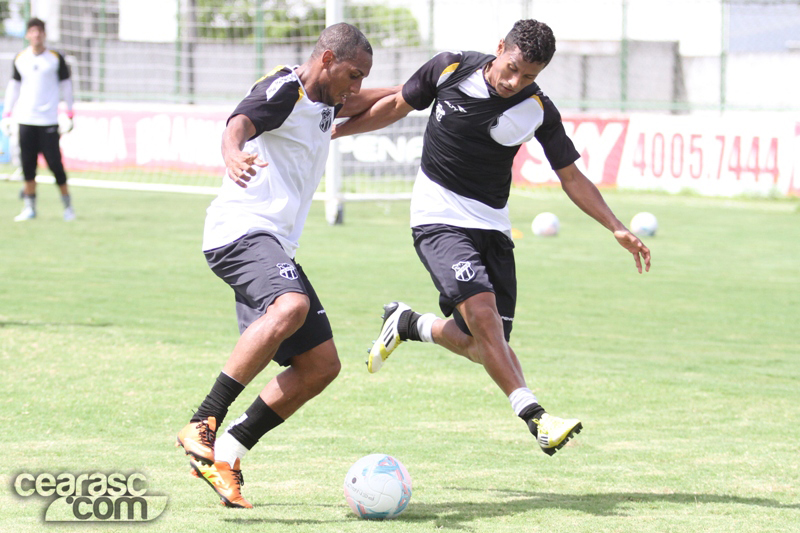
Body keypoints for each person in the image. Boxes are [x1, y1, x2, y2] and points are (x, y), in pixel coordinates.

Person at [333, 19, 651, 456]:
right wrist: (335, 131)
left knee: (483, 344)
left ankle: (409, 324)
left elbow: (572, 176)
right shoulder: (451, 68)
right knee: (484, 317)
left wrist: (615, 225)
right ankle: (537, 419)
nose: (514, 81)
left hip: (493, 228)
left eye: (529, 76)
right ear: (500, 47)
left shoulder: (538, 109)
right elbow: (394, 106)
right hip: (438, 217)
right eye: (512, 68)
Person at [175, 23, 394, 509]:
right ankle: (203, 421)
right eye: (353, 74)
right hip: (240, 232)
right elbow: (239, 122)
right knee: (291, 305)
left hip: (273, 244)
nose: (356, 86)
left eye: (363, 77)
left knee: (320, 366)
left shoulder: (328, 98)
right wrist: (233, 154)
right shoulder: (285, 89)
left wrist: (413, 87)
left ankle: (227, 454)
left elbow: (366, 101)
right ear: (327, 59)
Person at [2, 17, 75, 222]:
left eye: (40, 31)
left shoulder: (55, 58)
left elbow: (67, 86)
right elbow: (14, 87)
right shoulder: (20, 58)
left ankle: (68, 207)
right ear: (27, 35)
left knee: (55, 165)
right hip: (26, 120)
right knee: (28, 166)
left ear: (44, 34)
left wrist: (69, 112)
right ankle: (29, 207)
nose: (36, 35)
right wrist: (7, 114)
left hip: (48, 121)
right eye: (33, 31)